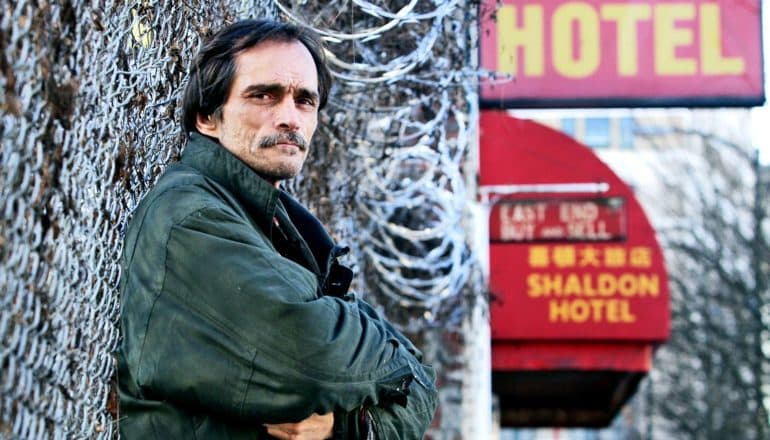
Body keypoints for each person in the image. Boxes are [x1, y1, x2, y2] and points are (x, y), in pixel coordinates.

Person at [116, 18, 438, 440]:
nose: (289, 117)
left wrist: (345, 425)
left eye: (305, 100)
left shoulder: (280, 227)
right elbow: (311, 356)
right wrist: (390, 364)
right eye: (264, 95)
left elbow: (423, 390)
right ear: (207, 118)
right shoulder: (189, 219)